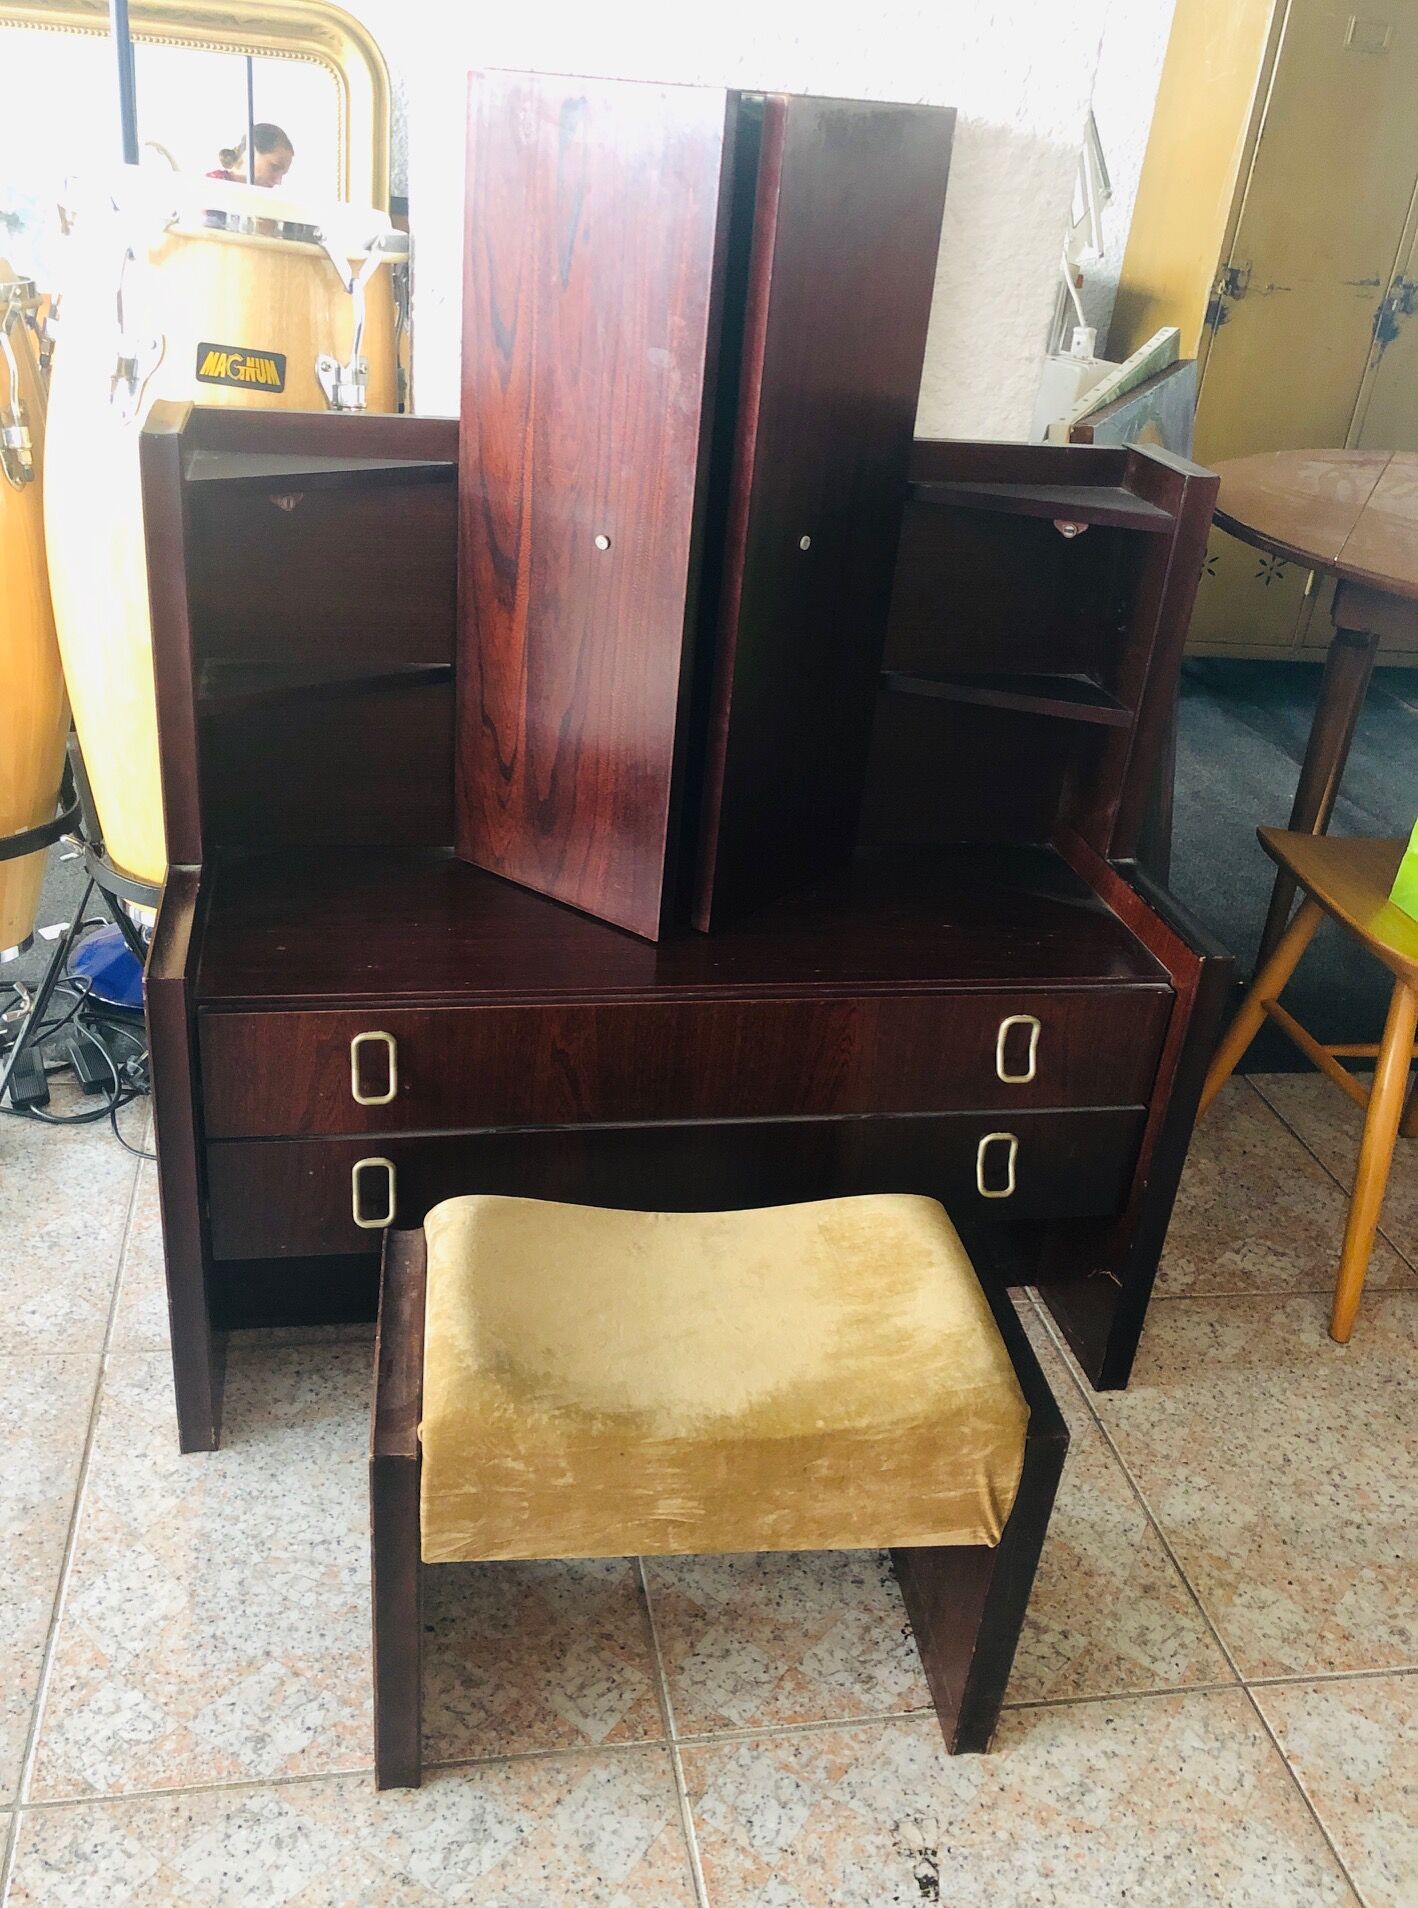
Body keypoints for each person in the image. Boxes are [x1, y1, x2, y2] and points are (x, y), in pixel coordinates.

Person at [208, 124, 294, 189]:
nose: (278, 181)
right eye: (274, 167)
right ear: (251, 151)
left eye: (282, 174)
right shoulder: (212, 187)